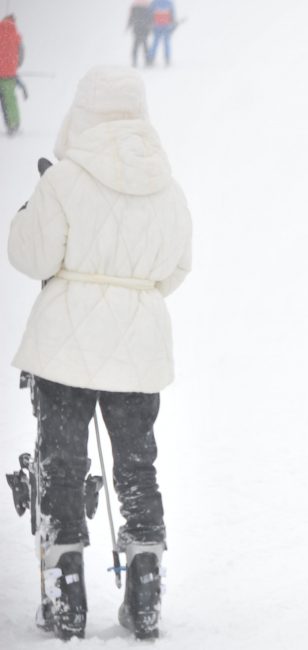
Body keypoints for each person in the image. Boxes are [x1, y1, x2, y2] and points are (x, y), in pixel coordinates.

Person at [7, 65, 192, 641]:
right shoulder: (167, 185)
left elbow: (30, 258)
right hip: (139, 349)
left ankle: (65, 597)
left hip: (64, 349)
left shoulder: (61, 179)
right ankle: (146, 589)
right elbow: (177, 269)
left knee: (63, 467)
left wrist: (29, 211)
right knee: (137, 467)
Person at [0, 13, 23, 135]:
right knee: (10, 100)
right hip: (9, 75)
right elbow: (21, 55)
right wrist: (14, 66)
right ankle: (13, 124)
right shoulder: (16, 35)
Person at [147, 0, 176, 66]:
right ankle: (167, 58)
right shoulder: (169, 2)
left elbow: (149, 13)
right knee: (166, 42)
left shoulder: (154, 2)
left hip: (157, 25)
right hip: (166, 25)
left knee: (155, 42)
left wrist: (150, 22)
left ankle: (151, 58)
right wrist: (173, 24)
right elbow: (172, 14)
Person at [127, 0, 153, 68]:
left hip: (137, 28)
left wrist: (128, 25)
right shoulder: (147, 5)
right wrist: (150, 26)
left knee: (136, 45)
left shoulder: (134, 6)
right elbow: (150, 17)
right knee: (145, 45)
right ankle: (147, 61)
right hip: (144, 29)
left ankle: (135, 60)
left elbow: (131, 17)